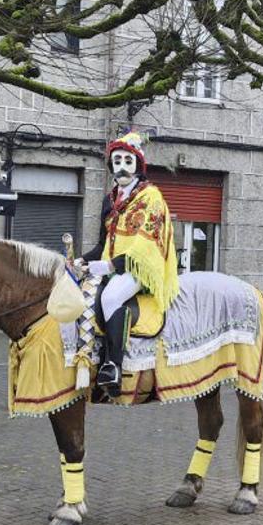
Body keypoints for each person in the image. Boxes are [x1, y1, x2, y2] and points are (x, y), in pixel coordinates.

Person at [79, 132, 179, 397]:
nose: (122, 165)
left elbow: (144, 247)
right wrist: (81, 260)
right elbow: (102, 245)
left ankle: (113, 364)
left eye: (127, 160)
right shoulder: (108, 201)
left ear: (137, 164)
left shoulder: (151, 197)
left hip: (141, 267)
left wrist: (109, 267)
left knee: (111, 296)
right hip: (111, 265)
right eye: (117, 160)